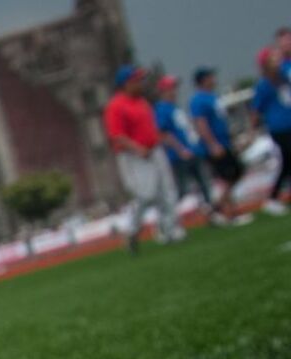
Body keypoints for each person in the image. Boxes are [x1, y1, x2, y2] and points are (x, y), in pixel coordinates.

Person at [104, 65, 184, 252]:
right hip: (134, 156)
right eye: (136, 80)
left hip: (154, 150)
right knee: (145, 194)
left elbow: (151, 128)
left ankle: (171, 229)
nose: (140, 83)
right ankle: (132, 230)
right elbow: (117, 135)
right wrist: (137, 148)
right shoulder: (116, 105)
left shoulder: (142, 102)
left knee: (167, 190)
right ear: (126, 83)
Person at [189, 67, 246, 224]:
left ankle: (222, 208)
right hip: (215, 145)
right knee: (228, 176)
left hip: (224, 141)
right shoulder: (198, 100)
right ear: (203, 80)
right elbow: (201, 123)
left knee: (235, 173)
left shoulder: (213, 96)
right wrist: (212, 144)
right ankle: (224, 210)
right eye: (210, 77)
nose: (213, 79)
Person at [153, 75, 215, 215]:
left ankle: (210, 210)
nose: (174, 91)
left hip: (193, 150)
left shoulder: (175, 107)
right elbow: (163, 133)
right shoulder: (162, 109)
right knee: (182, 189)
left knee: (204, 183)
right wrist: (180, 150)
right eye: (170, 88)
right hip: (179, 155)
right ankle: (167, 217)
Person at [251, 47, 291, 215]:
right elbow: (255, 110)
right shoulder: (264, 85)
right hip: (279, 129)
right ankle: (273, 197)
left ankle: (274, 197)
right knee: (288, 160)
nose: (277, 62)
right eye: (273, 59)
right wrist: (253, 131)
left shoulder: (283, 79)